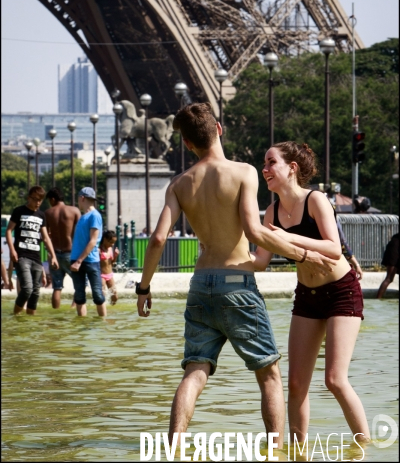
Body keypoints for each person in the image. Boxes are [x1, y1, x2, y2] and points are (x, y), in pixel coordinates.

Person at [136, 103, 338, 447]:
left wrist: (144, 287)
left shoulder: (179, 183)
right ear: (219, 128)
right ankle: (275, 450)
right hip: (236, 284)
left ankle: (174, 447)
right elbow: (255, 232)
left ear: (186, 143)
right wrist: (305, 253)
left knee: (195, 370)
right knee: (269, 375)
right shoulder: (243, 172)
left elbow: (157, 239)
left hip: (200, 285)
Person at [253, 141, 370, 442]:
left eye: (271, 163)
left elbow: (333, 248)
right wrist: (220, 253)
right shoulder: (271, 213)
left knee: (334, 379)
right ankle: (298, 452)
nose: (264, 169)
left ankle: (364, 447)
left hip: (341, 291)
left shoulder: (315, 200)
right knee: (295, 383)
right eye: (264, 164)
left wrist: (288, 241)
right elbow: (259, 262)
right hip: (307, 296)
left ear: (291, 167)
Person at [5, 185, 59, 315]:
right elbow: (8, 230)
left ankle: (30, 322)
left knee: (35, 293)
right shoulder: (19, 211)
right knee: (27, 289)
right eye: (35, 199)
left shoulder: (41, 215)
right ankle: (16, 317)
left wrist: (54, 256)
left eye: (40, 200)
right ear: (29, 198)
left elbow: (46, 238)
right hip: (22, 256)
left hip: (36, 258)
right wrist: (12, 250)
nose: (38, 203)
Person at [70, 187, 106, 317]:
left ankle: (102, 323)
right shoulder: (83, 216)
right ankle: (82, 324)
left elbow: (93, 241)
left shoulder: (95, 215)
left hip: (90, 261)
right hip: (76, 260)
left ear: (82, 198)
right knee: (79, 295)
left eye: (78, 199)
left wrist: (79, 261)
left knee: (97, 294)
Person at [45, 187, 81, 309]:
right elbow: (81, 233)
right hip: (71, 253)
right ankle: (73, 309)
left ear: (53, 199)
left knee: (57, 287)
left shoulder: (48, 213)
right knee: (79, 284)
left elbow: (46, 235)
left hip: (54, 254)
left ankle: (56, 313)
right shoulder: (74, 211)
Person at [99, 230, 119, 304]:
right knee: (102, 295)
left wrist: (116, 256)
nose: (113, 244)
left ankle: (111, 309)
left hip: (109, 275)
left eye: (114, 242)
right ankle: (102, 310)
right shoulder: (99, 250)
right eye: (111, 242)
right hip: (101, 275)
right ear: (105, 239)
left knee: (115, 297)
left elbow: (111, 264)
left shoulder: (110, 249)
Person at [376, 233, 399, 298]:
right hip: (394, 251)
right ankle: (378, 299)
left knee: (388, 278)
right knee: (389, 278)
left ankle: (377, 299)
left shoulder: (395, 239)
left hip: (393, 249)